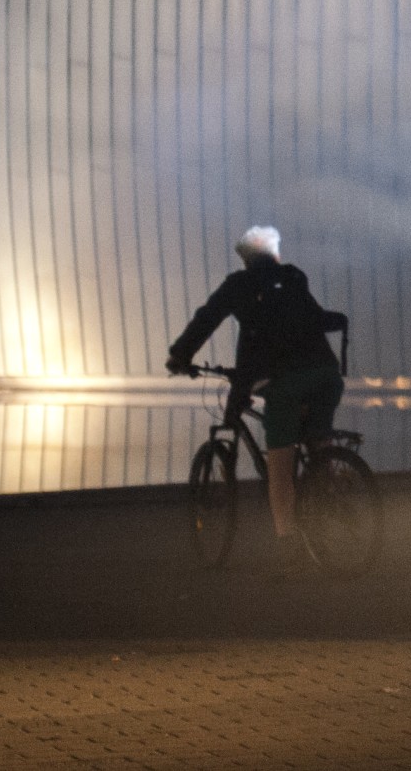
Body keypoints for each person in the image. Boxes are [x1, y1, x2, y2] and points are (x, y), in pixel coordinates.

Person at [165, 227, 346, 575]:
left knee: (280, 466)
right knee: (317, 441)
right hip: (326, 375)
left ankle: (290, 543)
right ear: (274, 253)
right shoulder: (294, 277)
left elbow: (206, 320)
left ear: (246, 259)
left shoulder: (239, 285)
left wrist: (180, 356)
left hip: (286, 381)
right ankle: (324, 508)